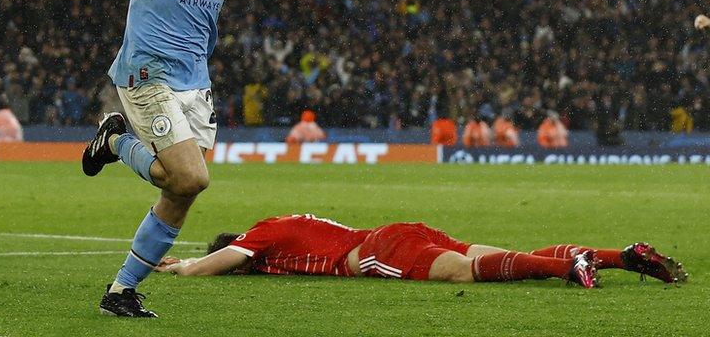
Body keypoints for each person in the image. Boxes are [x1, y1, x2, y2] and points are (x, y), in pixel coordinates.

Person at [0, 0, 429, 317]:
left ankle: (120, 291)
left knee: (179, 192)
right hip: (146, 67)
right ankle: (114, 141)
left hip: (195, 78)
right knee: (191, 177)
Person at [156, 214, 688, 287]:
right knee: (499, 254)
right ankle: (622, 255)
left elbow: (232, 258)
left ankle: (568, 268)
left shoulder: (263, 233)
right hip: (399, 231)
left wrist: (187, 267)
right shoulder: (295, 222)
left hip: (376, 250)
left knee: (464, 274)